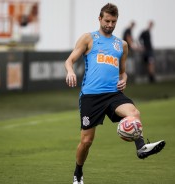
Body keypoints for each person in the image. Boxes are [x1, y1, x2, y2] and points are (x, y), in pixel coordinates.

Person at [65, 4, 165, 184]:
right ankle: (78, 171)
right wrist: (70, 71)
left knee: (134, 113)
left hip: (113, 94)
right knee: (86, 141)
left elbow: (123, 72)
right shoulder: (88, 38)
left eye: (113, 21)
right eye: (107, 21)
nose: (110, 25)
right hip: (91, 96)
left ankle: (141, 148)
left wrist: (124, 78)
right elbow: (69, 60)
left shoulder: (122, 45)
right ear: (99, 19)